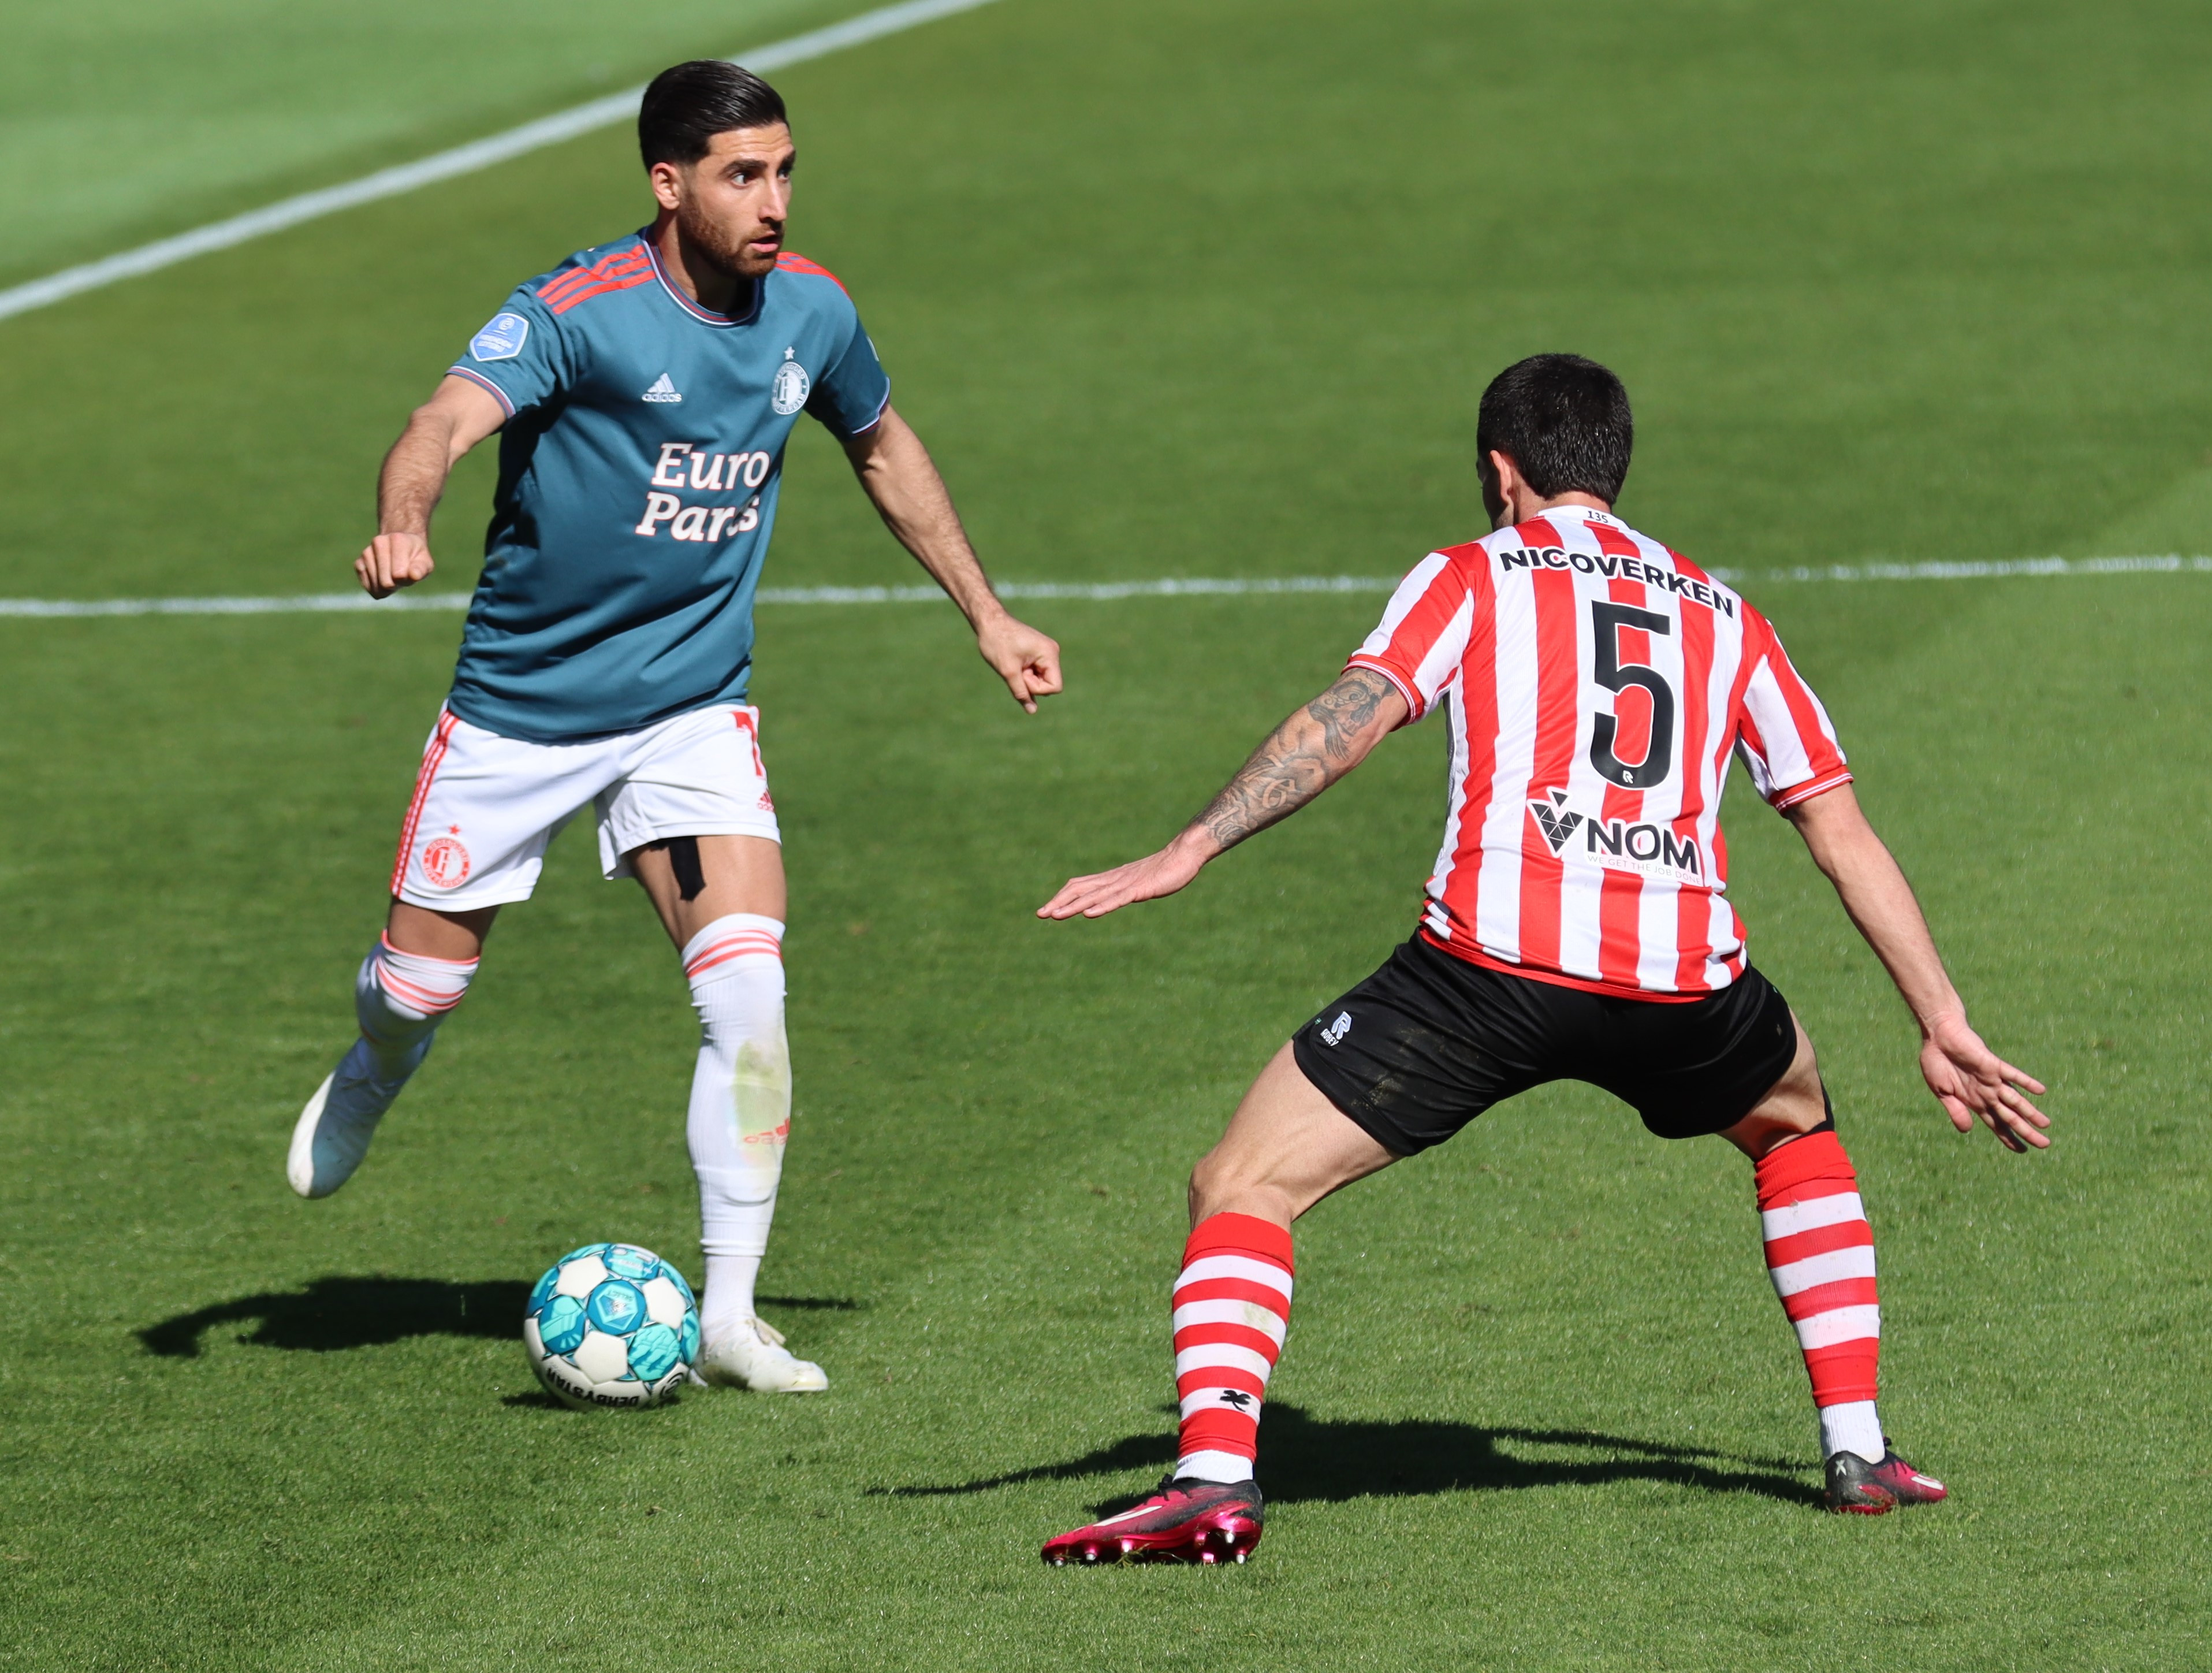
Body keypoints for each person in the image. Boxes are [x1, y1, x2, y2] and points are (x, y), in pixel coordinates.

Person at [1033, 354, 2046, 1564]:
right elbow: (1835, 823)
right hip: (1686, 986)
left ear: (1500, 472)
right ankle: (1858, 1444)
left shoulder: (1470, 573)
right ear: (1613, 469)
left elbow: (1351, 715)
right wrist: (1939, 1016)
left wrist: (1190, 845)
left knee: (1241, 1178)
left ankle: (1209, 1477)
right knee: (1795, 1126)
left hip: (1487, 976)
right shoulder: (1724, 612)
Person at [286, 60, 1062, 1395]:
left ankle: (730, 1311)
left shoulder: (812, 311)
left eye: (784, 170)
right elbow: (443, 419)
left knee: (748, 998)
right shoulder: (578, 311)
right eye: (740, 175)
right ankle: (375, 1063)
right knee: (420, 989)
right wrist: (407, 515)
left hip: (690, 710)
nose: (772, 201)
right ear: (668, 184)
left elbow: (882, 445)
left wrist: (986, 613)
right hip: (520, 718)